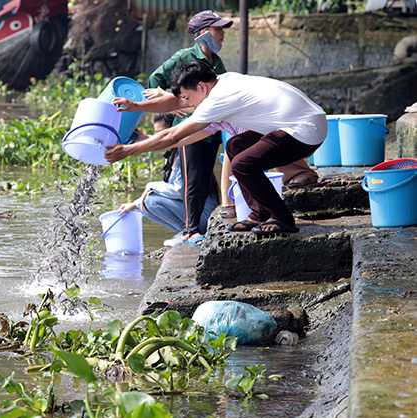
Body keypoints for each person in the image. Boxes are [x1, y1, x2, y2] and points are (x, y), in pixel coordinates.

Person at [105, 61, 327, 235]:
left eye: (189, 97)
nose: (189, 104)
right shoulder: (223, 82)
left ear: (201, 86)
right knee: (235, 145)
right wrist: (139, 112)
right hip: (305, 122)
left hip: (304, 130)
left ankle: (282, 217)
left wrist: (128, 150)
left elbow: (173, 135)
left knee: (242, 164)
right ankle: (258, 213)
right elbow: (182, 133)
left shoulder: (217, 100)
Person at [145, 10, 231, 246]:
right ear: (204, 33)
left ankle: (199, 226)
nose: (223, 34)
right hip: (188, 128)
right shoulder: (184, 57)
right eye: (218, 29)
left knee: (204, 177)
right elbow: (155, 81)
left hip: (211, 128)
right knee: (191, 180)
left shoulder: (216, 60)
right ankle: (190, 230)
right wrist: (170, 109)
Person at [117, 113, 218, 247]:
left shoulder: (184, 151)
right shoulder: (175, 151)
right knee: (144, 204)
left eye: (160, 133)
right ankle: (185, 230)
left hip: (204, 216)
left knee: (150, 201)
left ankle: (188, 231)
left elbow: (178, 190)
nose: (158, 137)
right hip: (199, 215)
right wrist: (135, 204)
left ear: (173, 129)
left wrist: (149, 186)